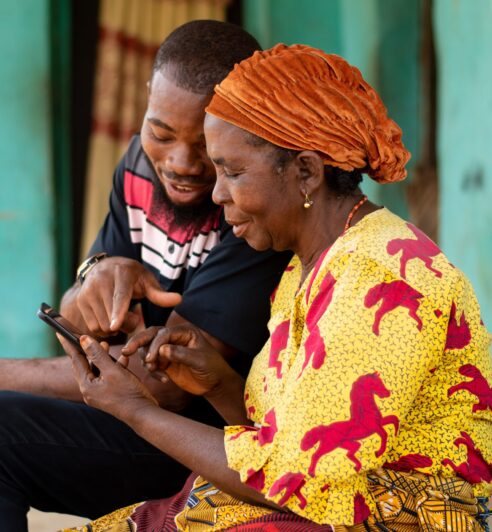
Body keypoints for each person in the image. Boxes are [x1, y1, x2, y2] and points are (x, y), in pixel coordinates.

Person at [61, 44, 492, 530]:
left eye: (233, 171)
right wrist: (220, 383)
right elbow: (285, 441)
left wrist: (136, 410)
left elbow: (303, 485)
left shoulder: (383, 278)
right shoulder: (306, 269)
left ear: (306, 171)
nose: (218, 192)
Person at [0, 21, 292, 532]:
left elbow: (169, 386)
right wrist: (94, 278)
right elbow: (82, 323)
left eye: (204, 143)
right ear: (145, 106)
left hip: (198, 443)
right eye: (161, 132)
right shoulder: (137, 166)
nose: (180, 163)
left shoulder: (251, 209)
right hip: (128, 412)